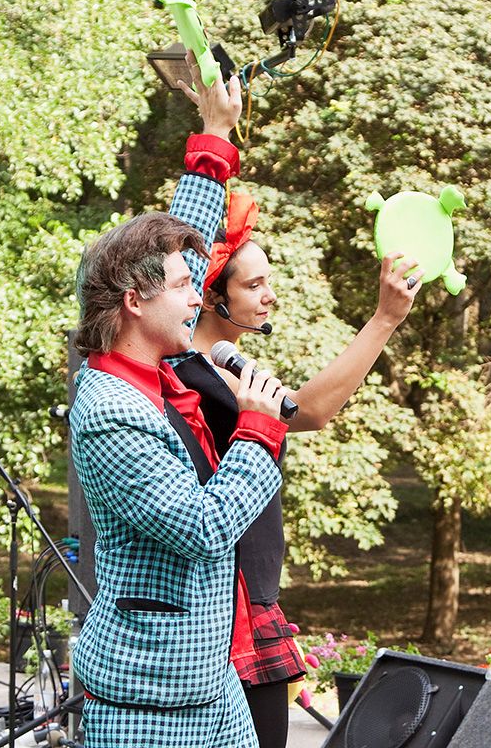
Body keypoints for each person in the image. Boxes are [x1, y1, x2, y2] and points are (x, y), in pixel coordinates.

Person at [171, 52, 423, 748]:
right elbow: (308, 412)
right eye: (253, 285)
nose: (270, 296)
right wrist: (383, 320)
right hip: (222, 615)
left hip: (246, 600)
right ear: (210, 293)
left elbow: (304, 412)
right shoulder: (194, 374)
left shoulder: (224, 365)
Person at [69, 71, 288, 747]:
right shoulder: (110, 410)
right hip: (150, 701)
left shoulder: (153, 361)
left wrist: (215, 134)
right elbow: (201, 527)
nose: (199, 298)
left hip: (210, 682)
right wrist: (257, 433)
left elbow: (182, 235)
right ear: (134, 301)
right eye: (185, 286)